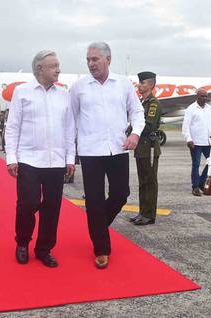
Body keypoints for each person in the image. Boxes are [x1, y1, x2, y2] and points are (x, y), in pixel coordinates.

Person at [70, 42, 144, 269]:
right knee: (93, 201)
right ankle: (101, 248)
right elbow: (70, 121)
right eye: (88, 60)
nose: (91, 64)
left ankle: (97, 225)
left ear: (108, 60)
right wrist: (68, 154)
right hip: (90, 151)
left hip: (118, 148)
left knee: (121, 194)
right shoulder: (79, 87)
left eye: (95, 59)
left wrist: (136, 134)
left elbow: (137, 111)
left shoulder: (123, 84)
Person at [5, 50, 75, 268]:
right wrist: (11, 157)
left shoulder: (64, 94)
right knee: (28, 203)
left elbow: (70, 128)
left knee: (52, 206)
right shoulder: (23, 92)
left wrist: (70, 157)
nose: (58, 69)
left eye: (58, 65)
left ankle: (44, 248)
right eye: (54, 66)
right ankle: (23, 242)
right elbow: (13, 126)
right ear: (39, 69)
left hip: (55, 160)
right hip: (29, 159)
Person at [129, 71, 161, 226]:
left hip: (148, 146)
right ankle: (142, 212)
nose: (139, 85)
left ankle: (149, 215)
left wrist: (134, 130)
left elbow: (149, 125)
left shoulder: (153, 103)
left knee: (150, 181)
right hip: (141, 147)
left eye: (142, 83)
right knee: (142, 181)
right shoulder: (143, 103)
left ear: (150, 85)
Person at [181, 88, 211, 196]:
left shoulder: (210, 109)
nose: (205, 98)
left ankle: (201, 182)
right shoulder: (191, 109)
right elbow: (186, 126)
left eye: (206, 96)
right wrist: (188, 139)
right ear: (197, 97)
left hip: (208, 142)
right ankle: (195, 187)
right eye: (202, 96)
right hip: (195, 142)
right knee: (196, 164)